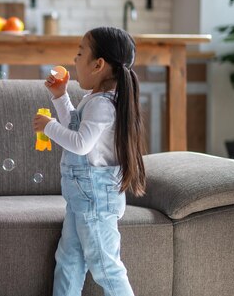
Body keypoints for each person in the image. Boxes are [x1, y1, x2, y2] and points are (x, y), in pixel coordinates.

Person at [32, 27, 146, 296]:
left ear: (98, 65)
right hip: (82, 198)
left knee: (105, 265)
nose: (74, 59)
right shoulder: (95, 100)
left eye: (80, 53)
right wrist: (60, 97)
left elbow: (80, 144)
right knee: (69, 260)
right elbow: (75, 126)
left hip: (95, 198)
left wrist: (48, 127)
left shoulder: (103, 104)